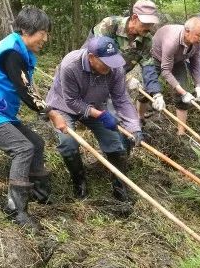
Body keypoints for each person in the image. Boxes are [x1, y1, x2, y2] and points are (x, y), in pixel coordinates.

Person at [0, 7, 66, 232]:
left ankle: (40, 194)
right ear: (26, 30)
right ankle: (16, 209)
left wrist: (47, 110)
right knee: (23, 148)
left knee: (36, 143)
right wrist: (52, 113)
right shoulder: (11, 53)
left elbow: (27, 88)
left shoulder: (17, 49)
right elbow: (26, 92)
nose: (45, 38)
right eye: (42, 32)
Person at [46, 36, 143, 214]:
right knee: (68, 143)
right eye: (105, 63)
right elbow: (72, 101)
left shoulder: (115, 69)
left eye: (113, 62)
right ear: (91, 57)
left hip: (96, 105)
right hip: (64, 106)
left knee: (116, 143)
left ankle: (120, 189)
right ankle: (79, 182)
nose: (110, 67)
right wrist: (101, 115)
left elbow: (121, 99)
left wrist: (134, 127)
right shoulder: (70, 65)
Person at [87, 0, 162, 117]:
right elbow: (100, 58)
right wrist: (127, 79)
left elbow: (148, 66)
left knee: (114, 114)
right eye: (146, 23)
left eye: (151, 24)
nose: (149, 28)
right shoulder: (110, 25)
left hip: (114, 79)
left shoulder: (146, 40)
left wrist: (156, 92)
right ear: (134, 18)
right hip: (91, 70)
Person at [146, 17, 200, 135]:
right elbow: (166, 71)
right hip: (157, 58)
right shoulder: (171, 41)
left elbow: (195, 63)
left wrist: (198, 85)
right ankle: (140, 118)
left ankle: (181, 132)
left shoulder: (197, 42)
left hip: (178, 60)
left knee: (182, 96)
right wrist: (184, 92)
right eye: (198, 35)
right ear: (187, 31)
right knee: (146, 90)